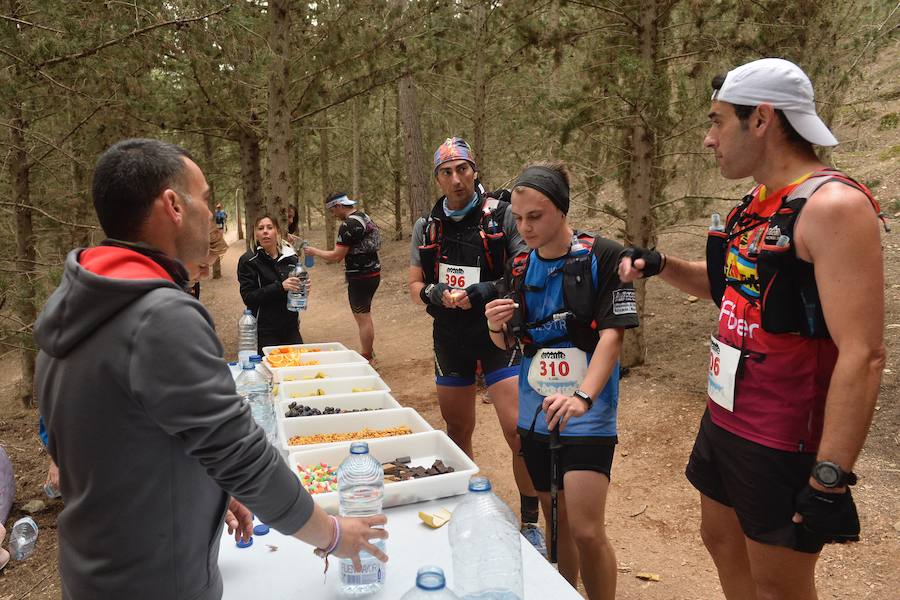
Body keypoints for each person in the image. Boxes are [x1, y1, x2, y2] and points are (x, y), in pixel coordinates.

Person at [34, 139, 387, 600]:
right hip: (157, 582)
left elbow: (118, 446)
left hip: (97, 571)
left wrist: (210, 491)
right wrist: (334, 535)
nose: (212, 213)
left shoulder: (78, 304)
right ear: (174, 206)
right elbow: (242, 454)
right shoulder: (160, 316)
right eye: (205, 198)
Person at [618, 58, 886, 599]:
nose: (708, 139)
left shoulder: (833, 206)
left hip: (783, 436)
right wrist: (663, 263)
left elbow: (864, 353)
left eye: (718, 122)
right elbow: (732, 288)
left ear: (761, 119)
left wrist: (830, 475)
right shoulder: (755, 205)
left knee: (778, 586)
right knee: (719, 540)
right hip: (725, 416)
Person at [485, 161, 638, 598]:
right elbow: (508, 346)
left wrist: (584, 397)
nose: (526, 227)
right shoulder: (517, 267)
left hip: (589, 414)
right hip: (537, 414)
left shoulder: (603, 255)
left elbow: (613, 337)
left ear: (562, 210)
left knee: (588, 530)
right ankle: (565, 591)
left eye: (535, 216)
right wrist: (496, 326)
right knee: (559, 521)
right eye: (518, 219)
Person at [408, 136, 544, 550]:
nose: (456, 179)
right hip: (449, 335)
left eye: (462, 169)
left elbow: (524, 268)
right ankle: (467, 510)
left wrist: (485, 291)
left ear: (474, 170)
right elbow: (413, 283)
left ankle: (531, 523)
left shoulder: (501, 216)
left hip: (497, 331)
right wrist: (432, 293)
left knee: (517, 429)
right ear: (437, 179)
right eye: (446, 172)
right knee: (457, 429)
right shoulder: (426, 226)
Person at [306, 193, 381, 360]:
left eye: (333, 211)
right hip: (374, 273)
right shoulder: (363, 217)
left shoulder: (348, 225)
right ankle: (369, 350)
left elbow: (336, 256)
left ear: (339, 206)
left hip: (360, 277)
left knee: (363, 319)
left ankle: (367, 357)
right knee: (365, 316)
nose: (334, 215)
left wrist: (313, 251)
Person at [237, 214, 304, 353]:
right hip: (265, 330)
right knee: (270, 372)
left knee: (298, 366)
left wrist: (304, 288)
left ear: (277, 232)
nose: (265, 231)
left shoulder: (290, 257)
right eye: (260, 228)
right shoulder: (248, 260)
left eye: (269, 227)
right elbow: (248, 297)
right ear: (256, 234)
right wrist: (281, 287)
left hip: (291, 326)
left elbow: (296, 289)